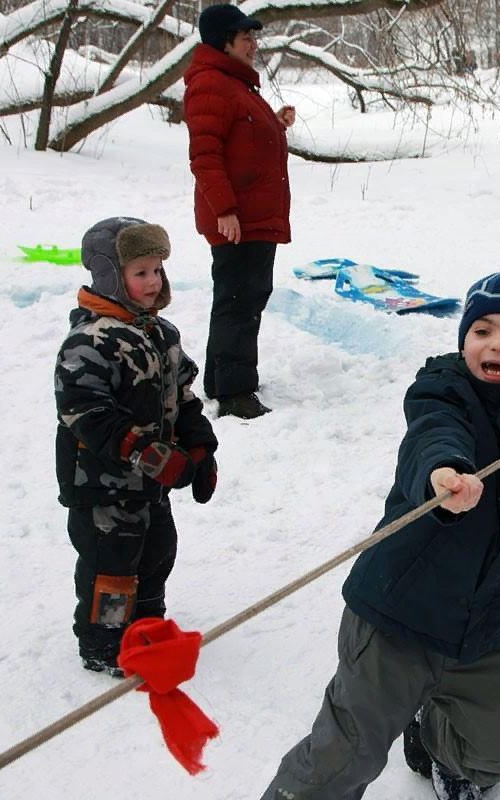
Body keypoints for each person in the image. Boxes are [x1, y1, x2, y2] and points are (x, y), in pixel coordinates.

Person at [263, 270, 500, 800]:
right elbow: (433, 434)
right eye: (483, 330)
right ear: (464, 340)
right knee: (346, 756)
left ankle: (435, 734)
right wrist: (444, 473)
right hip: (399, 618)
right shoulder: (442, 389)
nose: (498, 344)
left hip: (486, 627)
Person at [55, 217, 218, 676]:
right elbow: (86, 413)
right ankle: (104, 641)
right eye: (140, 272)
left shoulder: (160, 334)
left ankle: (146, 625)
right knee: (113, 565)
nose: (153, 282)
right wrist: (153, 456)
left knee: (158, 550)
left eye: (157, 271)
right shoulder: (90, 341)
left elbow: (182, 396)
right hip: (102, 483)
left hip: (150, 485)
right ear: (111, 275)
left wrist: (201, 448)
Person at [184, 4, 296, 419]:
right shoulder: (211, 85)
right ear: (222, 41)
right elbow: (205, 157)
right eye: (245, 37)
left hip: (253, 216)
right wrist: (225, 210)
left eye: (254, 37)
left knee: (241, 297)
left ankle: (221, 379)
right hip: (239, 220)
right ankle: (234, 394)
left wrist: (275, 124)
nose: (253, 45)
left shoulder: (234, 84)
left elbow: (239, 140)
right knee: (240, 302)